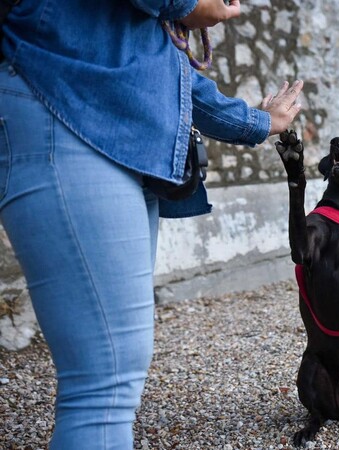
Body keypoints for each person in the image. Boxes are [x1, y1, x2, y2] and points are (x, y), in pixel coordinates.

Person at [0, 1, 303, 448]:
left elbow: (163, 72)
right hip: (61, 109)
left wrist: (256, 121)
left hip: (110, 135)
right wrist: (193, 6)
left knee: (113, 378)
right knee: (104, 384)